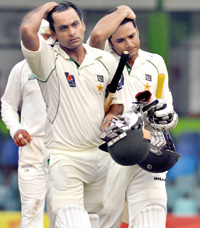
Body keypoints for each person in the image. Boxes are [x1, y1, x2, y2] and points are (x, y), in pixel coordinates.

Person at [19, 1, 124, 227]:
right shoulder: (46, 60)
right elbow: (27, 30)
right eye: (63, 28)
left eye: (75, 24)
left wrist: (110, 119)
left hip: (101, 156)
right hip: (64, 157)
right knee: (74, 221)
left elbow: (117, 104)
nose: (72, 32)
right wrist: (45, 8)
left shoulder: (104, 60)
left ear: (83, 25)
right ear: (54, 34)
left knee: (97, 222)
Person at [89, 5, 178, 228]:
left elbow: (165, 102)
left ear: (138, 32)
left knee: (152, 211)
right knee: (107, 216)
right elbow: (97, 35)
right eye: (120, 40)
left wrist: (167, 116)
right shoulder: (99, 61)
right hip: (112, 151)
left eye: (132, 36)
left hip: (148, 145)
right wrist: (125, 10)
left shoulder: (155, 62)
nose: (129, 44)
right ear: (110, 43)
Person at [1, 20, 54, 228]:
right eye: (41, 35)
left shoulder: (67, 65)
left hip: (64, 147)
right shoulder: (21, 69)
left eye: (49, 36)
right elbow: (7, 105)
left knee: (63, 213)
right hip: (32, 146)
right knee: (31, 213)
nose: (45, 41)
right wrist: (16, 128)